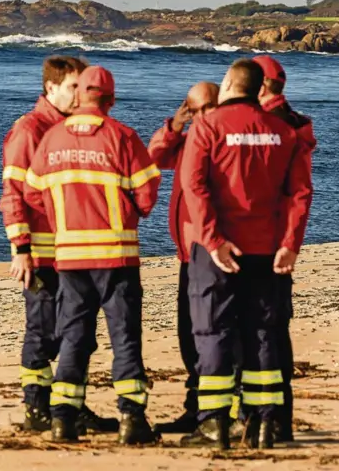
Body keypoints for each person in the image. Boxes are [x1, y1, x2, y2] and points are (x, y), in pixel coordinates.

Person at [178, 59, 313, 449]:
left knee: (213, 331)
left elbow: (194, 186)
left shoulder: (208, 126)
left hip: (218, 250)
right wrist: (290, 243)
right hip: (268, 249)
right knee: (264, 332)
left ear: (229, 84)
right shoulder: (283, 131)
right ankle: (266, 422)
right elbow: (299, 194)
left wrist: (212, 238)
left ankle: (214, 422)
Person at [24, 66, 162, 445]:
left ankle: (63, 419)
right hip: (116, 257)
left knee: (73, 338)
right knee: (125, 339)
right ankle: (132, 420)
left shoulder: (51, 139)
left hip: (69, 258)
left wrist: (61, 218)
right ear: (111, 99)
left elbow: (33, 193)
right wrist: (126, 212)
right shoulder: (123, 137)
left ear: (80, 95)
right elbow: (148, 194)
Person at [0, 55, 116, 435]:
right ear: (50, 88)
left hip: (75, 254)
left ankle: (72, 408)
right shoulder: (30, 130)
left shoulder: (72, 129)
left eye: (83, 88)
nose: (80, 95)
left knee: (79, 335)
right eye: (72, 88)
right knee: (43, 333)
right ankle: (36, 408)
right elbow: (13, 194)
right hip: (44, 255)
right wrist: (21, 248)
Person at [146, 81, 219, 434]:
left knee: (209, 333)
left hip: (210, 252)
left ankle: (213, 409)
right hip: (187, 254)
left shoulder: (221, 142)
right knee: (187, 334)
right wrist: (174, 127)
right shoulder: (189, 140)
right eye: (192, 110)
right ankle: (195, 406)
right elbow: (154, 159)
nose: (198, 116)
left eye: (204, 108)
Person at [252, 55, 316, 443]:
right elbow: (300, 194)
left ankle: (263, 416)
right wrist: (291, 242)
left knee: (256, 330)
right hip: (279, 244)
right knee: (275, 328)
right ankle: (279, 418)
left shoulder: (269, 126)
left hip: (257, 242)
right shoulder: (294, 125)